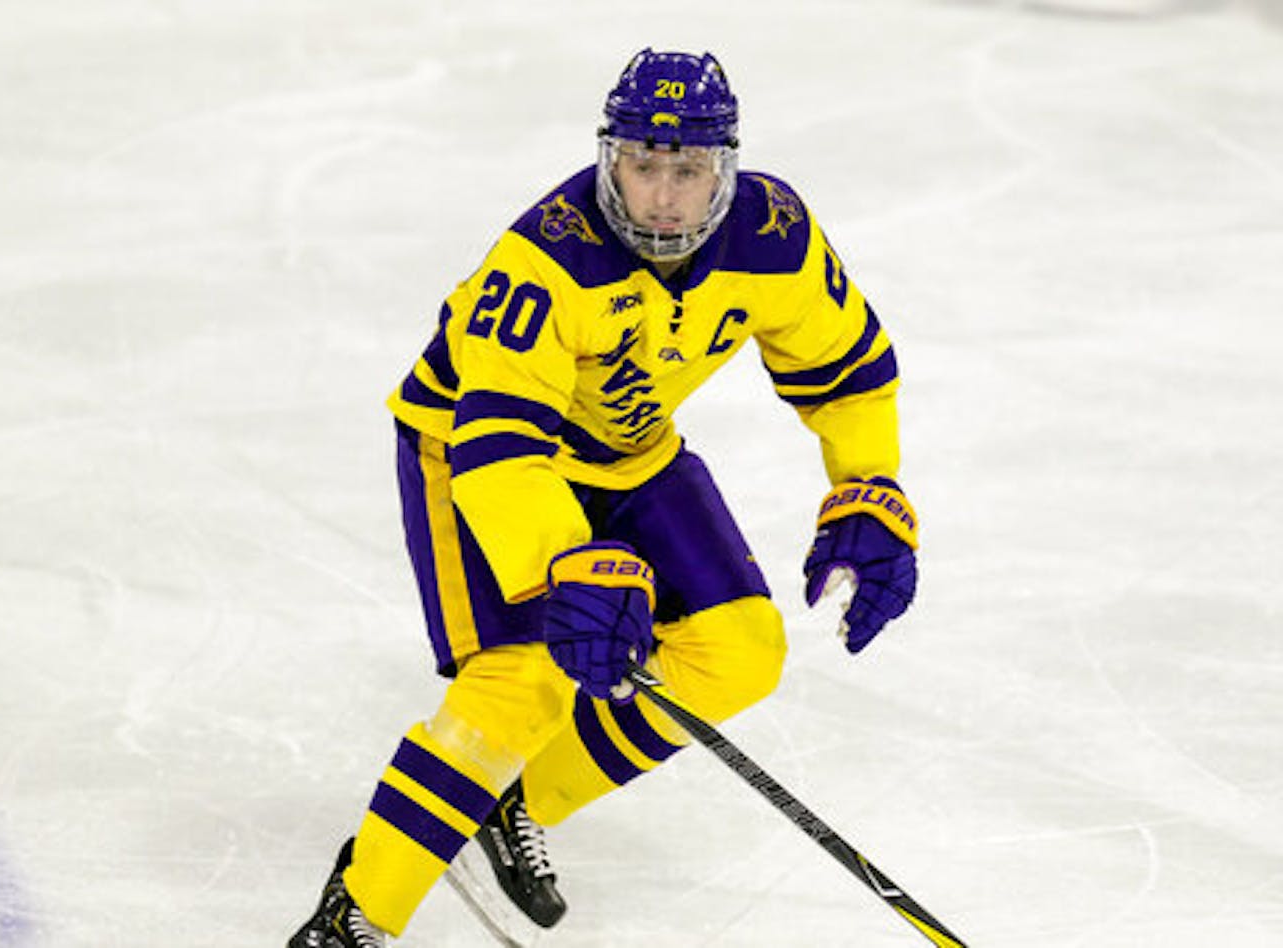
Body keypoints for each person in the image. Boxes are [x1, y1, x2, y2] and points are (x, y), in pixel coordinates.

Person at [288, 48, 919, 947]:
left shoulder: (772, 236)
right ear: (608, 157)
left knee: (739, 651)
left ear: (725, 170)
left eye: (688, 169)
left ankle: (510, 803)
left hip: (629, 452)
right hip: (471, 453)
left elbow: (848, 371)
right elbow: (500, 446)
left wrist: (868, 485)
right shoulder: (544, 259)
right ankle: (358, 915)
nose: (663, 194)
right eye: (642, 164)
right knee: (520, 680)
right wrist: (563, 561)